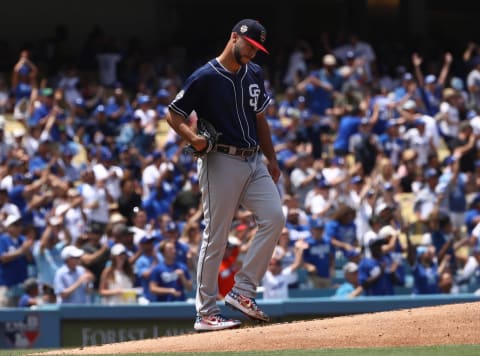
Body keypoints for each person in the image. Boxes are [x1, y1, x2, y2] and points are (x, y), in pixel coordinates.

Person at [166, 18, 285, 331]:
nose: (253, 53)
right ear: (234, 38)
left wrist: (271, 158)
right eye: (250, 45)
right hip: (220, 160)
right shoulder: (205, 76)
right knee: (215, 235)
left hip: (253, 159)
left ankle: (243, 291)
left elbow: (261, 120)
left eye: (258, 48)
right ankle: (205, 313)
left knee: (274, 217)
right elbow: (173, 114)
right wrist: (193, 139)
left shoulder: (254, 73)